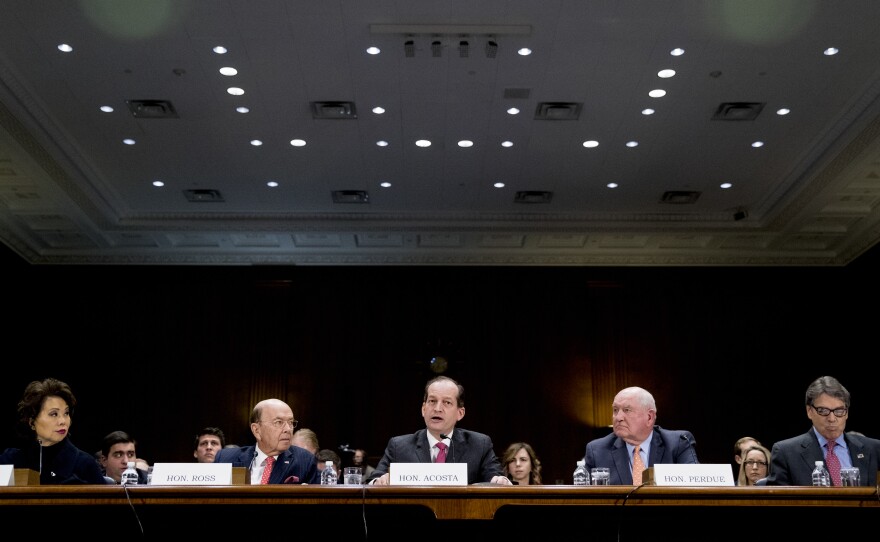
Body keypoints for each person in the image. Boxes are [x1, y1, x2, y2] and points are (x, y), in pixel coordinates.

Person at [365, 375, 511, 485]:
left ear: (460, 413)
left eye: (446, 402)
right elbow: (372, 482)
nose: (437, 408)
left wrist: (500, 481)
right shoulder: (399, 446)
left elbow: (495, 477)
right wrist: (379, 482)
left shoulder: (479, 444)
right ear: (423, 409)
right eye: (432, 401)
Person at [764, 376, 880, 486]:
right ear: (809, 411)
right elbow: (779, 503)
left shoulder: (874, 449)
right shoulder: (786, 453)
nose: (832, 418)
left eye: (839, 411)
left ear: (847, 413)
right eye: (823, 411)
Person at [583, 386, 699, 485]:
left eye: (627, 410)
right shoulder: (597, 451)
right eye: (615, 410)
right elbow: (583, 499)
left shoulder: (678, 443)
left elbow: (696, 485)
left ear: (649, 417)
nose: (618, 417)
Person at [0, 378, 106, 484]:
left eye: (66, 413)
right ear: (32, 422)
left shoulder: (85, 464)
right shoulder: (10, 460)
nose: (63, 421)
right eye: (54, 414)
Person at [214, 398, 320, 484]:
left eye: (291, 422)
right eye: (279, 422)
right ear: (256, 430)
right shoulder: (225, 459)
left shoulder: (305, 460)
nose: (288, 429)